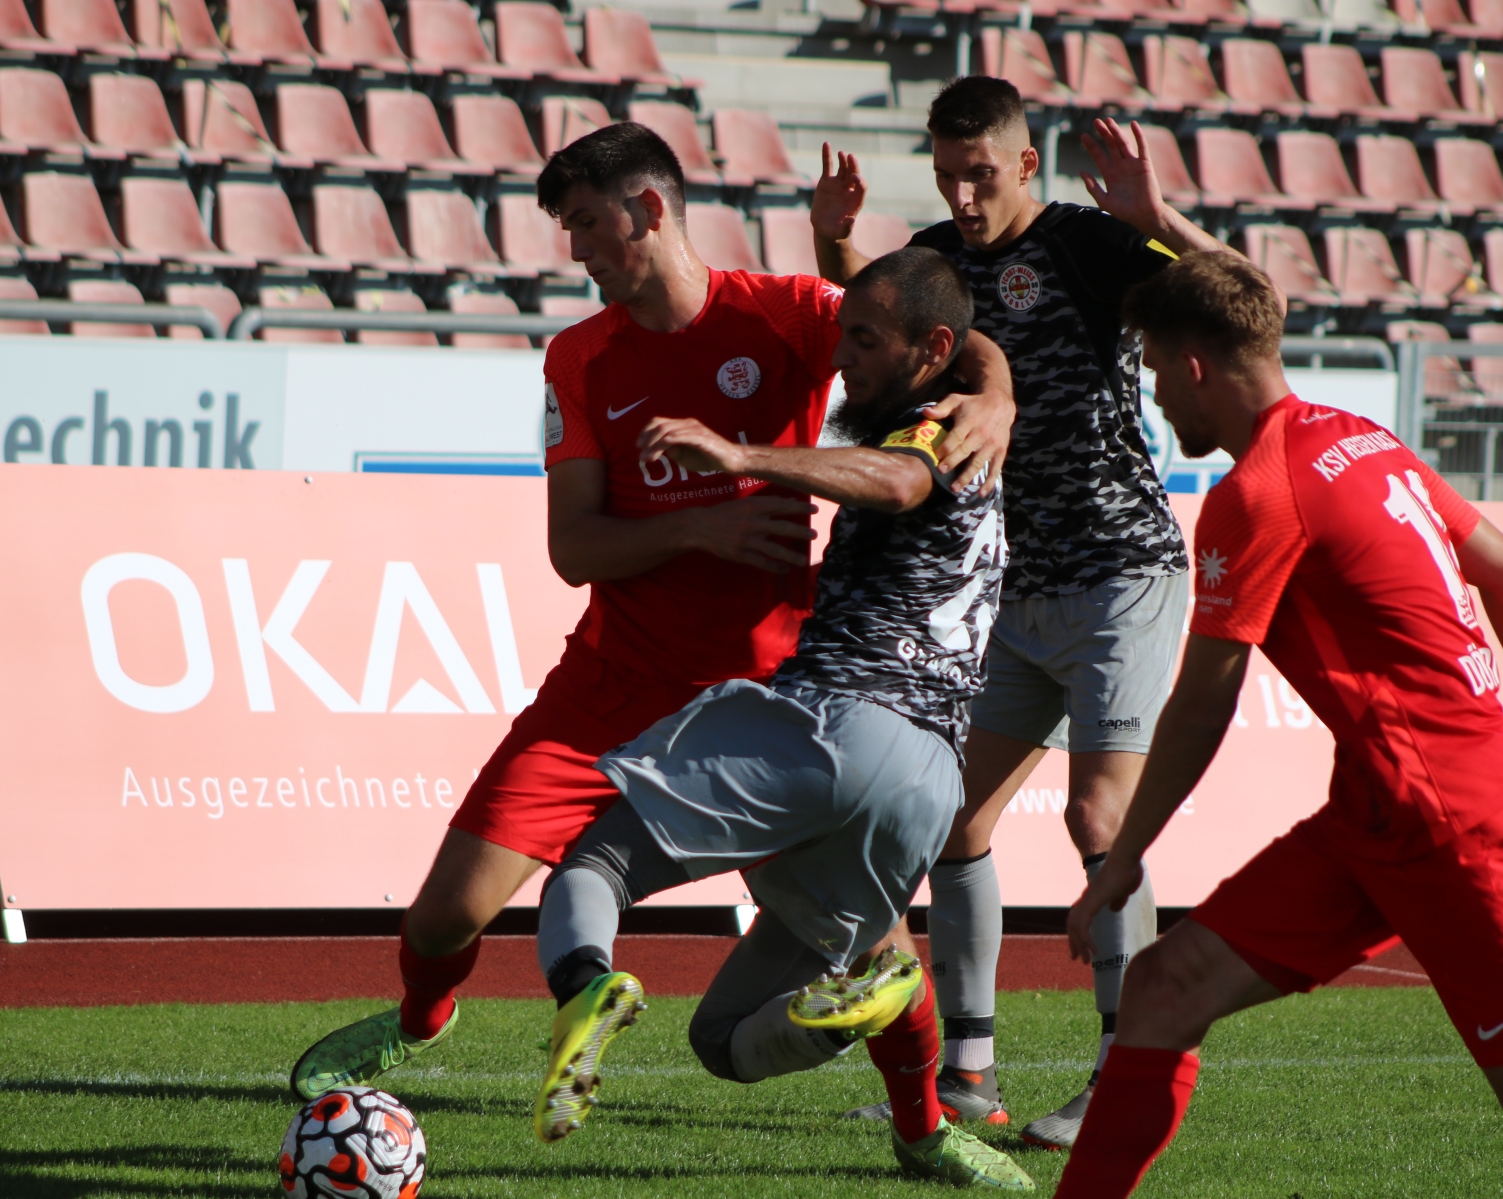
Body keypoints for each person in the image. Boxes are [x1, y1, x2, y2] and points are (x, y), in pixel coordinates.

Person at [288, 124, 1014, 1099]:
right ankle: (420, 1018)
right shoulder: (580, 357)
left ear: (649, 208)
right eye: (568, 228)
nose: (577, 250)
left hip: (771, 693)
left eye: (588, 223)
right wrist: (702, 528)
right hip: (612, 686)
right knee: (443, 914)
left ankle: (928, 1125)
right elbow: (574, 550)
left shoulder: (789, 315)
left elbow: (938, 330)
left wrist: (997, 396)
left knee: (871, 943)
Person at [965, 251, 1503, 1199]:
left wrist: (1121, 862)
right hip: (1382, 806)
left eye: (1150, 366)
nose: (1150, 390)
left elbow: (1205, 701)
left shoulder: (1259, 491)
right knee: (1163, 987)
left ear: (1193, 366)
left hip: (1446, 819)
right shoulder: (1359, 438)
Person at [813, 77, 1269, 1145]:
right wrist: (833, 241)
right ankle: (969, 1074)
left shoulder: (1085, 243)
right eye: (946, 176)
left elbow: (1245, 301)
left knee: (1098, 819)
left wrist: (1156, 216)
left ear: (1025, 163)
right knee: (954, 822)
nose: (963, 198)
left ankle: (1127, 1074)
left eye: (981, 175)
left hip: (1120, 574)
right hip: (1014, 589)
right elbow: (871, 318)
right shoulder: (935, 255)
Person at [529, 245, 1028, 1191]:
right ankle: (913, 1114)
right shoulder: (978, 417)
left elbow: (901, 481)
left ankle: (585, 983)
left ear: (933, 351)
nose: (842, 358)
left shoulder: (935, 431)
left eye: (866, 341)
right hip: (927, 779)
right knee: (724, 1038)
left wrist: (742, 455)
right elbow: (946, 364)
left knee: (594, 864)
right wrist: (991, 376)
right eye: (844, 335)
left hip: (837, 724)